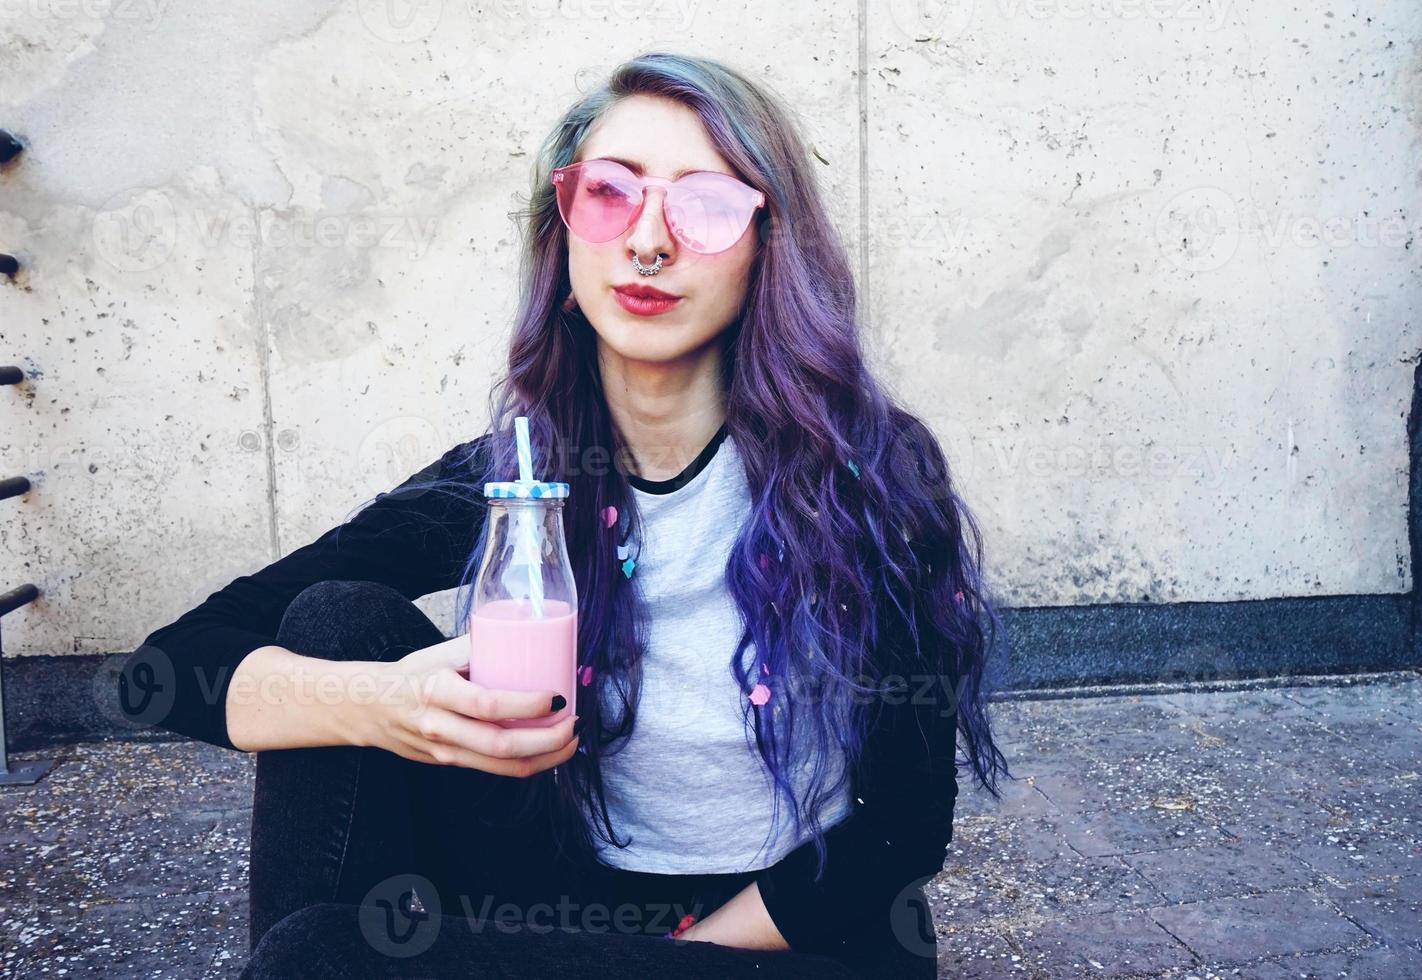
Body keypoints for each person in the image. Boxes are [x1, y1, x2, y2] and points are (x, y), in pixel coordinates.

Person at [118, 51, 1009, 980]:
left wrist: (654, 962)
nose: (651, 242)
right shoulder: (520, 477)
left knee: (316, 960)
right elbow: (170, 664)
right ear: (565, 231)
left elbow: (901, 834)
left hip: (784, 936)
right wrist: (388, 708)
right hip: (560, 896)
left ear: (766, 243)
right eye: (612, 194)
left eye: (706, 205)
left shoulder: (864, 476)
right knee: (335, 622)